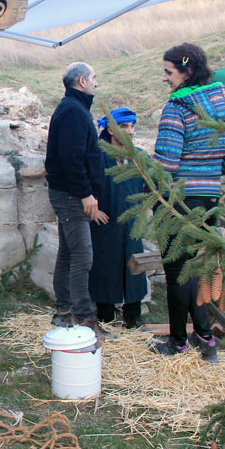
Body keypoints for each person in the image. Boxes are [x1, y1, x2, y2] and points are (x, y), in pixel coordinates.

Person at [151, 43, 225, 362]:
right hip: (209, 198)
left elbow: (166, 164)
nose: (165, 78)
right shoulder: (223, 101)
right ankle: (206, 338)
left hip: (178, 199)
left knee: (178, 272)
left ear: (186, 70)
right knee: (199, 270)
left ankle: (178, 342)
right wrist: (214, 171)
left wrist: (145, 166)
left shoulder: (177, 108)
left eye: (168, 71)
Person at [45, 62, 113, 341]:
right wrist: (85, 194)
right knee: (82, 255)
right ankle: (84, 318)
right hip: (71, 194)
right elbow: (71, 158)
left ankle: (64, 311)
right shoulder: (73, 110)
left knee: (68, 253)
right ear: (82, 80)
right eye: (94, 78)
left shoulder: (74, 108)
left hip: (70, 192)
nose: (96, 83)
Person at [89, 108, 148, 329]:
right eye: (124, 126)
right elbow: (82, 182)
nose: (130, 131)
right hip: (106, 222)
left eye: (132, 127)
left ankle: (133, 314)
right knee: (106, 266)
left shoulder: (139, 156)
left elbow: (154, 185)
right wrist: (91, 209)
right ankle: (106, 315)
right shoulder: (98, 155)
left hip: (133, 223)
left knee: (135, 265)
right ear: (112, 129)